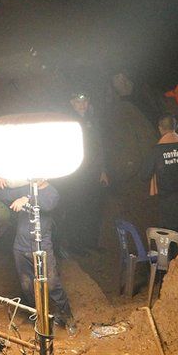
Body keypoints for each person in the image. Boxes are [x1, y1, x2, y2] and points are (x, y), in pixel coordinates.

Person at [0, 178, 77, 336]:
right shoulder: (26, 188)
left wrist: (26, 199)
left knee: (52, 283)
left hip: (42, 247)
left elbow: (47, 205)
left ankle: (66, 317)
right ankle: (37, 316)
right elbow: (2, 196)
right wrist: (0, 181)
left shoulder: (51, 193)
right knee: (27, 285)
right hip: (21, 247)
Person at [61, 91, 109, 252]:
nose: (82, 105)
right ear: (72, 103)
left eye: (85, 101)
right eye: (78, 102)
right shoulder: (67, 121)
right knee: (76, 209)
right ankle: (76, 246)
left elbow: (100, 146)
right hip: (75, 174)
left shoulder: (92, 120)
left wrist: (103, 170)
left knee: (93, 209)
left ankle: (91, 243)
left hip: (93, 172)